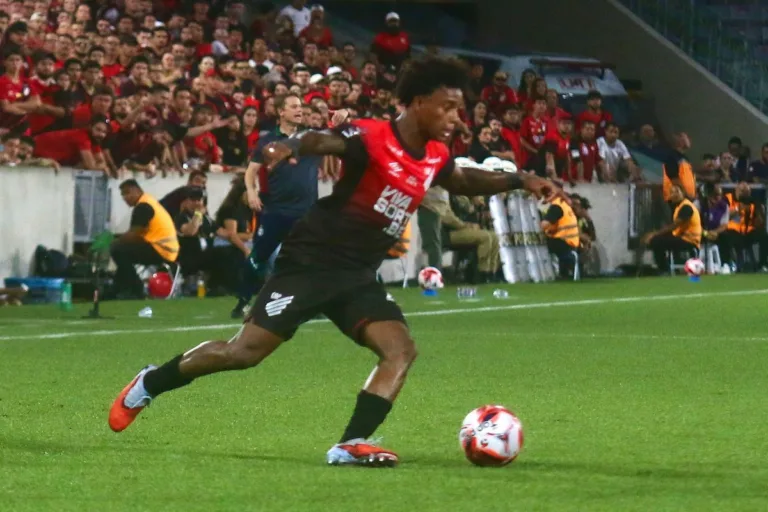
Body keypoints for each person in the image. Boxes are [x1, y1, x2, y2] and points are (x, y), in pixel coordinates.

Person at [108, 56, 564, 467]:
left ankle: (351, 443)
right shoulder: (372, 136)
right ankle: (149, 383)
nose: (455, 118)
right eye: (447, 108)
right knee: (242, 353)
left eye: (458, 110)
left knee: (400, 350)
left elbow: (460, 178)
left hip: (356, 274)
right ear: (418, 102)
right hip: (311, 263)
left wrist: (521, 179)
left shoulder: (435, 155)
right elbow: (321, 140)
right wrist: (291, 147)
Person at [231, 93, 323, 318]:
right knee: (258, 257)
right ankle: (244, 300)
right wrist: (251, 191)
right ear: (281, 112)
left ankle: (313, 304)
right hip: (276, 210)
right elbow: (251, 171)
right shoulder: (268, 140)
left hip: (306, 211)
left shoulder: (310, 138)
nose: (299, 110)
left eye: (300, 106)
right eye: (293, 106)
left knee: (312, 258)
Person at [110, 179, 179, 299]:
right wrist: (118, 238)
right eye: (123, 195)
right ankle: (117, 290)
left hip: (160, 250)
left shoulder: (143, 206)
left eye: (127, 193)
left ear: (137, 190)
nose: (125, 198)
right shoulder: (149, 201)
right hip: (168, 249)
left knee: (117, 250)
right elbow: (138, 234)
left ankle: (136, 289)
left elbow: (133, 236)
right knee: (123, 252)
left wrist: (113, 240)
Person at [641, 184, 701, 273]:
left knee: (656, 241)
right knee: (656, 239)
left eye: (677, 191)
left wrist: (654, 234)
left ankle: (664, 269)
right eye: (672, 192)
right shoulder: (678, 207)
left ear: (683, 193)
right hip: (682, 237)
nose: (674, 194)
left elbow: (674, 226)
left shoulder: (686, 207)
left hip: (690, 240)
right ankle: (665, 265)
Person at [718, 182, 768, 271]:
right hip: (732, 231)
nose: (744, 194)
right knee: (723, 236)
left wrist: (758, 214)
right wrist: (737, 210)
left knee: (764, 236)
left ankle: (762, 265)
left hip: (748, 232)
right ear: (736, 190)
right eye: (742, 191)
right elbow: (721, 216)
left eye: (746, 192)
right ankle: (726, 264)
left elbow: (760, 223)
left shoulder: (753, 201)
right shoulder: (728, 199)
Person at [541, 195, 580, 278]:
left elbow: (544, 225)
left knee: (538, 244)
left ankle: (544, 273)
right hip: (571, 243)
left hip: (563, 243)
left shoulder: (557, 206)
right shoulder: (565, 205)